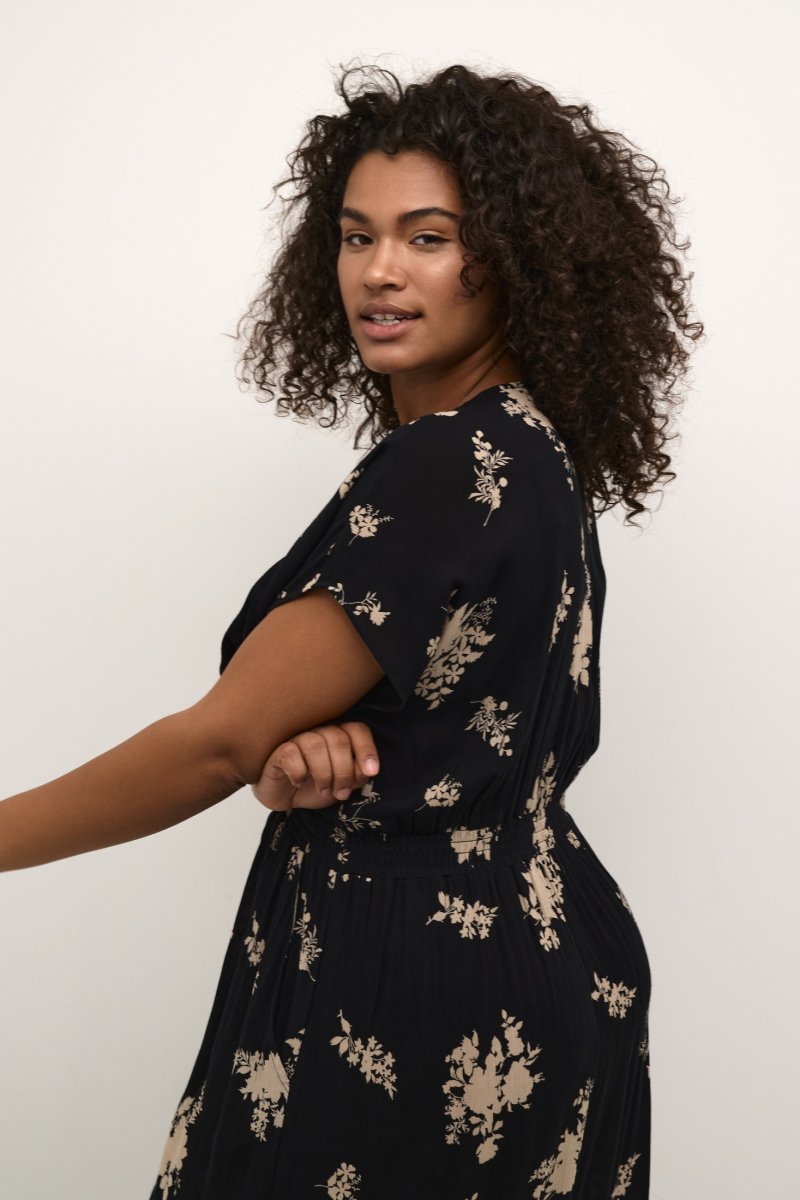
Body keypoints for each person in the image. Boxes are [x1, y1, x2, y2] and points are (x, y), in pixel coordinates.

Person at [0, 62, 704, 1198]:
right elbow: (424, 717)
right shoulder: (525, 449)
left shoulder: (448, 463)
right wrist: (306, 753)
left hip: (410, 984)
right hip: (539, 955)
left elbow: (216, 744)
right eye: (355, 235)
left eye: (429, 237)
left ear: (518, 257)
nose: (380, 270)